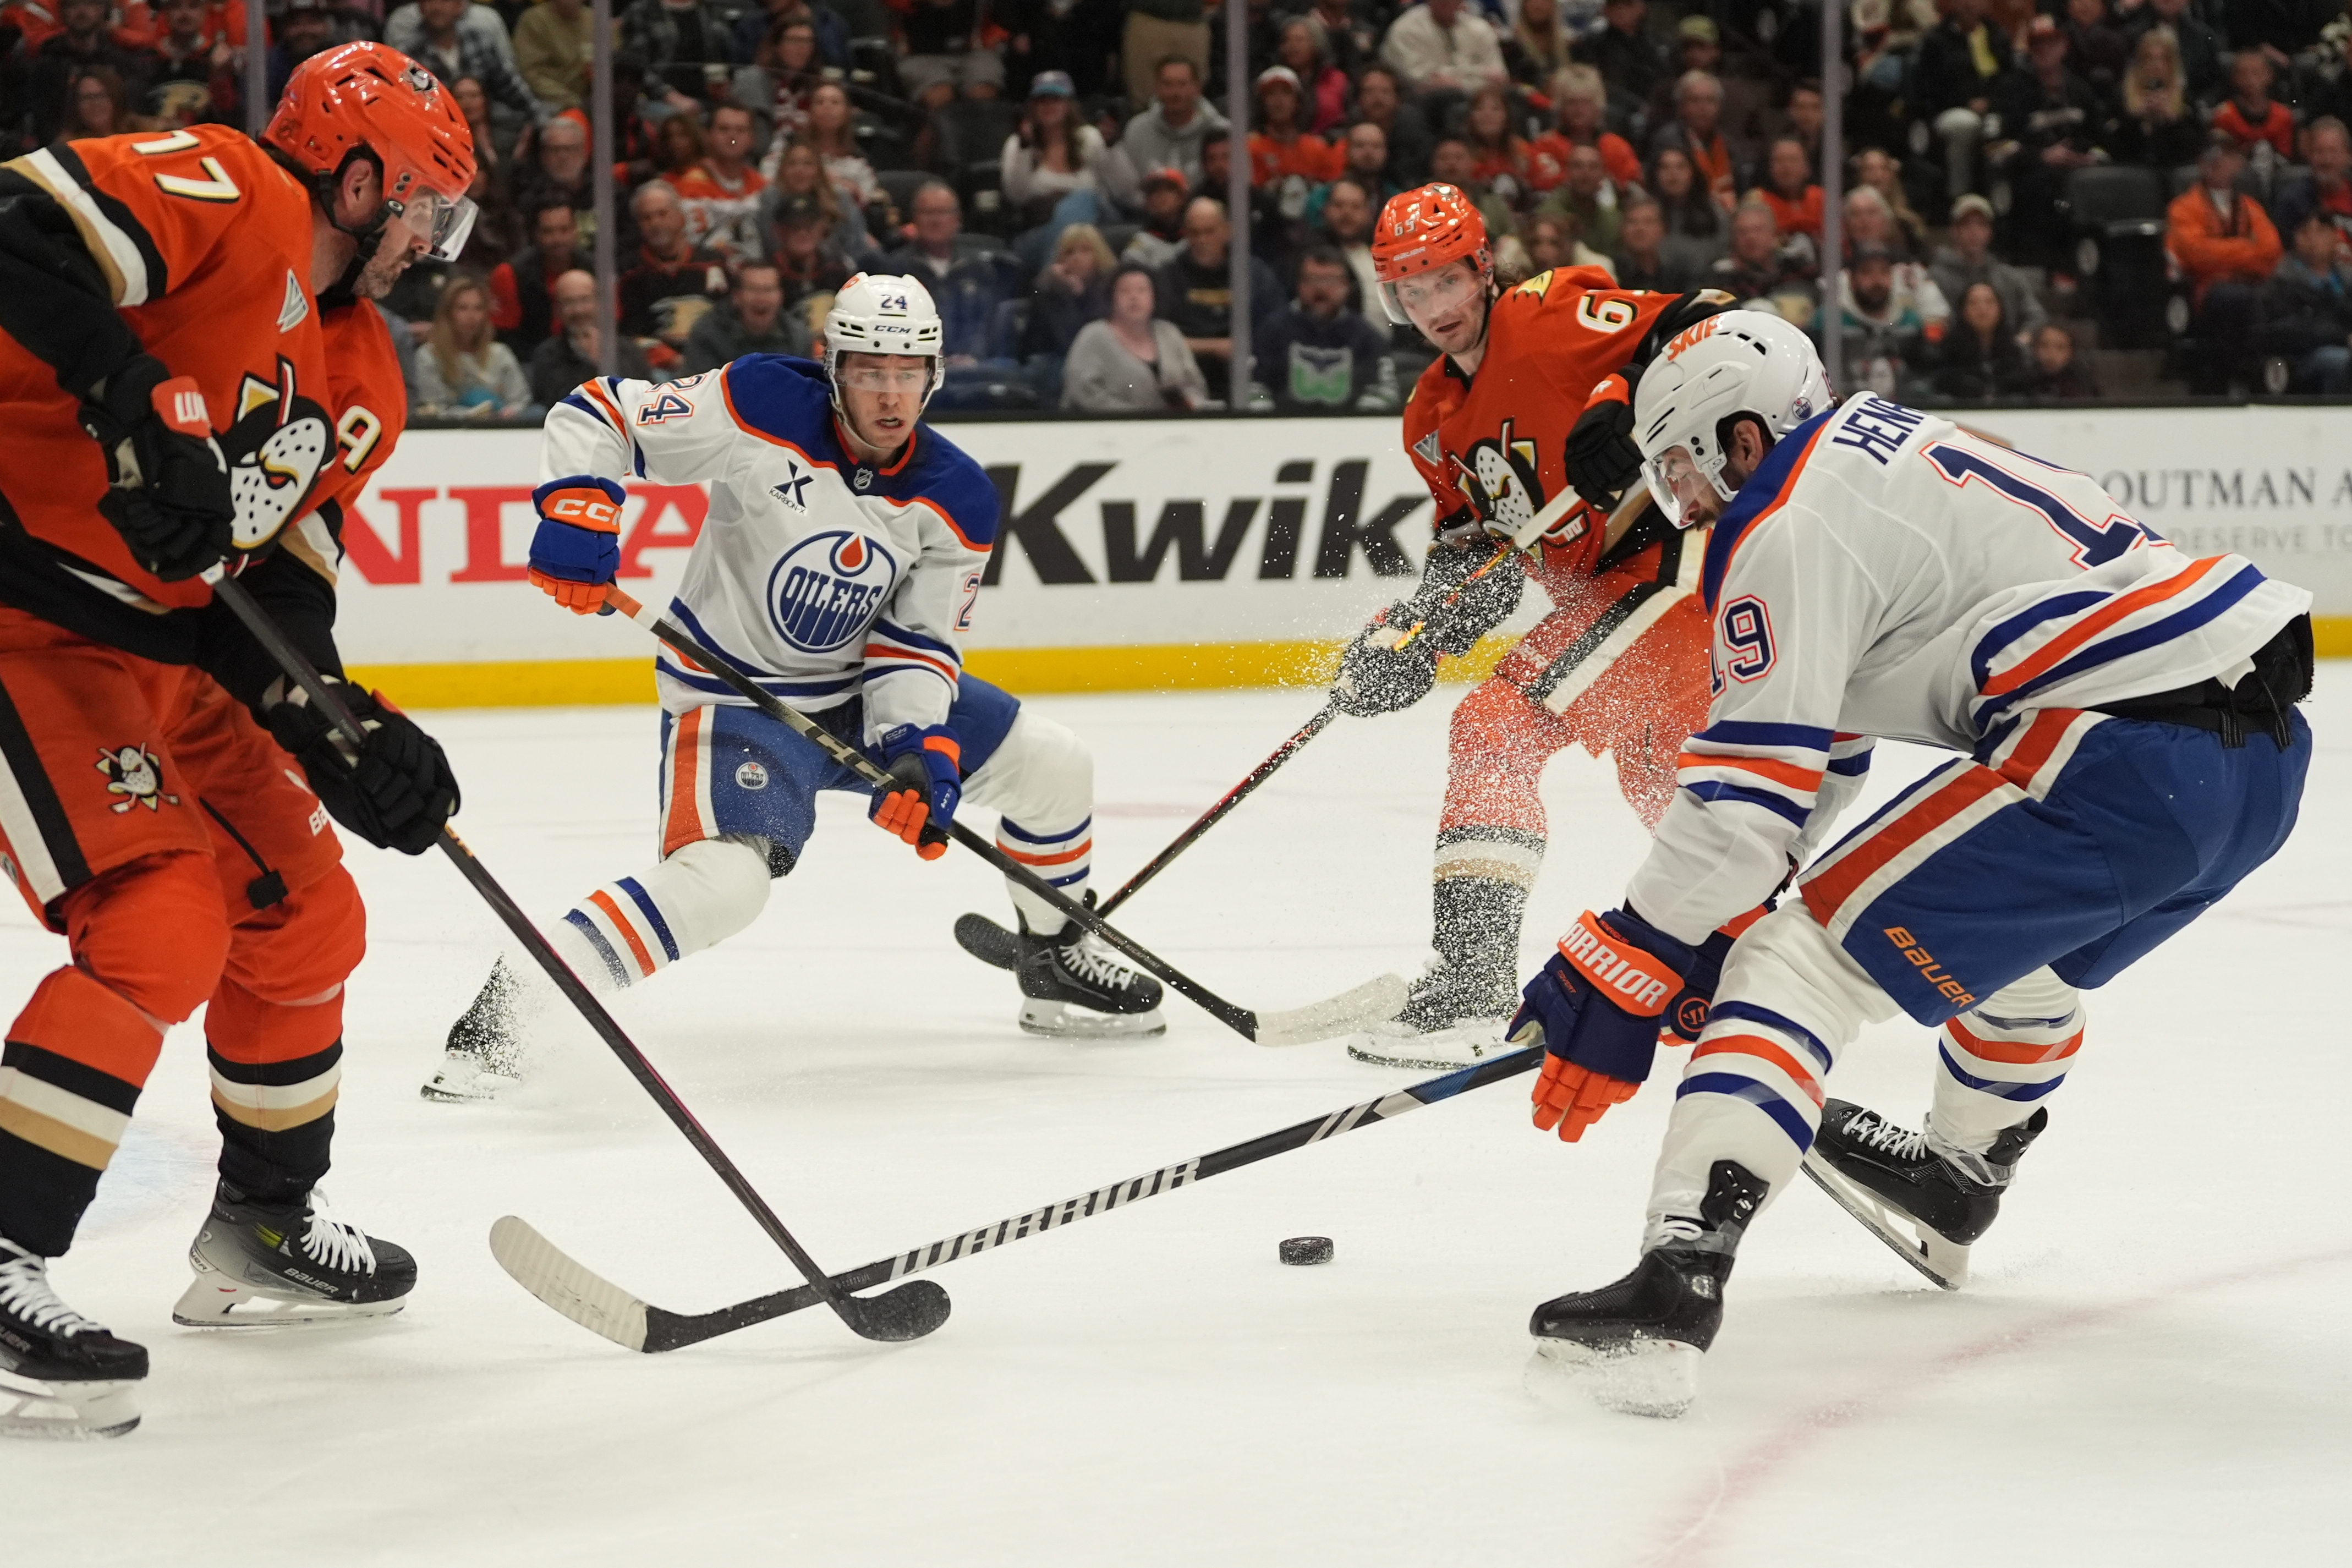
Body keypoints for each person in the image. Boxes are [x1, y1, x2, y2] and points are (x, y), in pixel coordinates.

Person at [1514, 310, 2311, 1411]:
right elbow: (1816, 763)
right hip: (2261, 766)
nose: (1682, 505)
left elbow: (1747, 791)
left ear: (1739, 437)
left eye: (1680, 470)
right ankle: (1957, 1179)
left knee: (1791, 972)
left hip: (2119, 747)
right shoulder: (1871, 458)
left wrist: (1636, 946)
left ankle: (1673, 1279)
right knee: (2017, 961)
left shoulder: (1781, 521)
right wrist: (1711, 911)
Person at [0, 41, 471, 1440]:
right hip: (28, 614)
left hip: (166, 657)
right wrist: (128, 396)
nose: (429, 243)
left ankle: (262, 1225)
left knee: (305, 916)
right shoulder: (230, 185)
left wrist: (346, 734)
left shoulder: (367, 373)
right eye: (424, 207)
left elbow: (273, 602)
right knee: (160, 924)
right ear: (361, 169)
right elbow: (17, 236)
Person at [425, 275, 1165, 1104]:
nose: (890, 396)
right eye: (868, 372)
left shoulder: (956, 497)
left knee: (1056, 766)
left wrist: (916, 752)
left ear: (935, 376)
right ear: (833, 365)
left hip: (858, 698)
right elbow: (600, 412)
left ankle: (1051, 954)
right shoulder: (759, 402)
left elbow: (916, 642)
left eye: (908, 373)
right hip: (738, 700)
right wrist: (578, 505)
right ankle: (519, 1004)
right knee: (724, 885)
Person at [1333, 183, 1729, 1068]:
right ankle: (1747, 961)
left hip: (1676, 571)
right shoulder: (1427, 423)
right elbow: (1475, 560)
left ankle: (1470, 986)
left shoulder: (1547, 315)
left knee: (1495, 725)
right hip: (1613, 605)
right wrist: (1414, 636)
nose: (1431, 306)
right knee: (1671, 793)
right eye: (1408, 289)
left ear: (1480, 267)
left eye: (1442, 280)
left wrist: (1621, 397)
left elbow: (1713, 320)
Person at [1990, 14, 2106, 271]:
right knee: (2045, 185)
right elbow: (1995, 148)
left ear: (2064, 46)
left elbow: (2100, 139)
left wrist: (2086, 157)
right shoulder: (2011, 90)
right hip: (2027, 174)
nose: (2044, 50)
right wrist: (2040, 156)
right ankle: (2043, 266)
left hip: (2076, 170)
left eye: (2051, 43)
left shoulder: (2081, 90)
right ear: (2029, 50)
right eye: (2037, 44)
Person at [2168, 136, 2282, 394]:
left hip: (2249, 285)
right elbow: (2196, 255)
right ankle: (2248, 378)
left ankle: (2256, 376)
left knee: (2268, 296)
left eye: (2227, 156)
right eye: (2214, 156)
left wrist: (2224, 258)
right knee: (2238, 298)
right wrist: (2247, 250)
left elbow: (2271, 251)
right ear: (2202, 163)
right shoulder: (2184, 208)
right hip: (2206, 291)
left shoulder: (2251, 207)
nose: (2219, 162)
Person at [1154, 195, 1282, 404]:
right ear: (1185, 234)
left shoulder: (1254, 274)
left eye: (1209, 232)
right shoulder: (1167, 277)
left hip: (1250, 375)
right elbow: (1155, 340)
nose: (1202, 240)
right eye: (1194, 233)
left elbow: (1277, 328)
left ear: (1227, 231)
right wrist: (1214, 347)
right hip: (1187, 379)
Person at [881, 181, 1023, 369]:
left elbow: (988, 325)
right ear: (914, 219)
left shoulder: (979, 269)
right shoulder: (894, 271)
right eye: (928, 213)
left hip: (976, 368)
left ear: (957, 219)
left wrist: (973, 358)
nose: (935, 220)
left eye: (943, 212)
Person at [1251, 245, 1399, 413]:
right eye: (1312, 280)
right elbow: (1253, 388)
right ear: (1300, 284)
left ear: (1346, 286)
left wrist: (1356, 427)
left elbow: (1384, 392)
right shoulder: (1272, 331)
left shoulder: (1367, 337)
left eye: (1330, 281)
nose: (1321, 289)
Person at [1062, 261, 1208, 410]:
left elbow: (1196, 385)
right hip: (1107, 428)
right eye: (1125, 291)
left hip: (1173, 428)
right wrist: (1135, 418)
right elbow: (1083, 392)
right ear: (1112, 298)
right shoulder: (1093, 336)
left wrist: (1189, 402)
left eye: (1142, 290)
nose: (1134, 297)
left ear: (1155, 297)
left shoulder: (1169, 333)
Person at [619, 179, 732, 364]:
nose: (655, 223)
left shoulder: (715, 263)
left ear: (681, 217)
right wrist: (667, 358)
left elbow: (732, 320)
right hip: (655, 372)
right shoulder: (629, 273)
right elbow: (627, 334)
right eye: (646, 218)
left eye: (663, 214)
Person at [396, 0, 550, 129]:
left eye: (444, 0)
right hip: (437, 135)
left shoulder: (480, 41)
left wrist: (540, 124)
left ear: (460, 6)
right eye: (429, 1)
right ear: (420, 7)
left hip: (490, 132)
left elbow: (513, 89)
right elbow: (414, 110)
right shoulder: (409, 57)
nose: (437, 7)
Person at [1912, 0, 2008, 202]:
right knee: (1965, 124)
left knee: (2000, 126)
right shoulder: (1936, 40)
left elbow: (2009, 80)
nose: (1970, 6)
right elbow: (1926, 89)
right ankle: (1961, 198)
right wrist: (1966, 102)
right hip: (1949, 111)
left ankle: (2000, 203)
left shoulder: (1997, 36)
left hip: (1994, 108)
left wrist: (1992, 102)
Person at [23, 0, 152, 144]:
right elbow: (42, 123)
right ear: (63, 12)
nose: (82, 11)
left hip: (120, 146)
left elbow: (133, 113)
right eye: (73, 5)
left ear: (103, 9)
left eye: (89, 3)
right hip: (64, 151)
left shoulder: (124, 63)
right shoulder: (45, 67)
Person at [529, 267, 657, 407]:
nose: (578, 310)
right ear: (558, 310)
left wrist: (602, 357)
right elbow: (559, 402)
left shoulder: (628, 349)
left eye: (585, 300)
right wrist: (592, 361)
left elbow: (645, 395)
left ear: (599, 303)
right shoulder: (547, 355)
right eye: (569, 302)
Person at [2255, 210, 2352, 393]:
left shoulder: (2346, 279)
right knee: (2340, 362)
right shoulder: (2283, 282)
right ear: (2297, 238)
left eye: (2322, 230)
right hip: (2302, 357)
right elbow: (2289, 331)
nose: (2314, 239)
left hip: (2342, 345)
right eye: (2307, 231)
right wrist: (2344, 337)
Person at [414, 272, 536, 417]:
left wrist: (508, 412)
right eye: (462, 308)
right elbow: (433, 408)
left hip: (501, 427)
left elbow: (520, 400)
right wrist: (471, 415)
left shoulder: (500, 353)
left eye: (478, 308)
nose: (471, 316)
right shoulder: (429, 356)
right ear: (448, 313)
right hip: (452, 431)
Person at [1931, 193, 2047, 341]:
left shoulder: (2008, 277)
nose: (1974, 232)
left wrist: (2023, 339)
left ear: (1990, 232)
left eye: (1981, 225)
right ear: (1954, 231)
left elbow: (2036, 315)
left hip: (2006, 355)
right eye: (1966, 224)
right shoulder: (1935, 278)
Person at [1002, 70, 1105, 229]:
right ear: (1033, 106)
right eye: (1042, 101)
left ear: (1069, 105)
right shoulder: (1017, 144)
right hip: (1039, 229)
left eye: (1056, 99)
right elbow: (1017, 197)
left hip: (1091, 229)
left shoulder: (1089, 137)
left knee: (1085, 201)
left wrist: (1114, 147)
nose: (1049, 106)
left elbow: (1111, 189)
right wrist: (1024, 149)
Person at [1837, 244, 1940, 399]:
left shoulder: (1910, 321)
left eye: (1884, 272)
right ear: (1852, 279)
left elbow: (1924, 375)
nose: (1877, 280)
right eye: (1867, 272)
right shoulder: (1831, 321)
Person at [672, 101, 770, 262]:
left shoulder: (763, 185)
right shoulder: (690, 186)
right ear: (708, 135)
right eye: (724, 129)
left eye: (741, 130)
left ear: (752, 139)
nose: (732, 138)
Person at [489, 200, 588, 357]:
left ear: (576, 230)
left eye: (565, 230)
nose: (558, 239)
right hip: (529, 362)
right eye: (548, 231)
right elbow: (505, 339)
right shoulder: (509, 274)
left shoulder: (596, 269)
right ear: (536, 234)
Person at [1021, 221, 1115, 386]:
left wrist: (1078, 295)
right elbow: (1061, 344)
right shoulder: (1049, 291)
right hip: (1056, 363)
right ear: (1061, 259)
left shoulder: (1112, 289)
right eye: (1069, 252)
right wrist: (1065, 292)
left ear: (1099, 255)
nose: (1077, 258)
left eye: (1085, 251)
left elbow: (1085, 344)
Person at [1529, 65, 1641, 195]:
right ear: (1560, 107)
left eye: (1586, 102)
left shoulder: (1616, 147)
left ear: (1598, 106)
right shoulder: (1545, 147)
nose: (1579, 110)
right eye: (1572, 102)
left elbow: (1633, 188)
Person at [1122, 53, 1226, 191]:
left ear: (1197, 88)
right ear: (1157, 88)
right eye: (1168, 84)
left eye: (1183, 84)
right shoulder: (1137, 129)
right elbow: (1128, 185)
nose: (1175, 93)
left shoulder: (1223, 131)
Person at [683, 257, 805, 370]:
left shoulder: (798, 336)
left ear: (781, 296)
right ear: (737, 297)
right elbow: (697, 388)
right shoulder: (707, 335)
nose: (761, 298)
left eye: (769, 290)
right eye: (753, 289)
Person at [617, 0, 739, 109]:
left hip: (708, 99)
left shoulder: (712, 11)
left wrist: (723, 86)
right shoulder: (642, 11)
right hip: (657, 99)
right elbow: (636, 66)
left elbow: (727, 60)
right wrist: (668, 95)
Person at [2112, 26, 2202, 171]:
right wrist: (2136, 117)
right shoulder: (2121, 96)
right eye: (2149, 58)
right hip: (2132, 175)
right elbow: (2113, 148)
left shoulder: (2187, 98)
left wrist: (2172, 120)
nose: (2156, 65)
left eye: (2164, 59)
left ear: (2173, 64)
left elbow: (2195, 151)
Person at [1927, 279, 2030, 401]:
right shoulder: (1948, 350)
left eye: (1989, 302)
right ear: (1963, 310)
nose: (1982, 309)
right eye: (1973, 303)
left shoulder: (2014, 351)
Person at [1379, 0, 1507, 97]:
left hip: (1478, 102)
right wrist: (1481, 74)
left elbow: (1500, 77)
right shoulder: (1406, 30)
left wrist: (1456, 83)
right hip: (1419, 103)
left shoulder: (1480, 29)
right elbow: (1419, 82)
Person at [896, 0, 1002, 109]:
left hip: (972, 49)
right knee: (940, 95)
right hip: (920, 54)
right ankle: (932, 125)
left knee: (983, 93)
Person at [1249, 65, 1344, 187]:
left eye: (1286, 93)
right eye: (1271, 94)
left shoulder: (1317, 148)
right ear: (1262, 104)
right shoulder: (1251, 149)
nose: (1279, 101)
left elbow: (1335, 189)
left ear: (1298, 102)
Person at [1711, 198, 1811, 313]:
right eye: (1742, 232)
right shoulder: (1720, 280)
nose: (1751, 237)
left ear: (1775, 234)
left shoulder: (1799, 270)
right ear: (1733, 239)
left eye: (1758, 230)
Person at [769, 190, 855, 310]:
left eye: (809, 226)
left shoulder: (839, 269)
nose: (803, 234)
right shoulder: (769, 276)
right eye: (795, 227)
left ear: (822, 227)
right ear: (778, 232)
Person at [1352, 64, 1432, 186]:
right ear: (1359, 99)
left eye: (1385, 91)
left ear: (1398, 98)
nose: (1377, 98)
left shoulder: (1413, 138)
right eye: (1369, 91)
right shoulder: (1350, 131)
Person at [2213, 48, 2296, 164]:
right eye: (2244, 74)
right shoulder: (2225, 115)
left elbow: (2285, 157)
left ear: (2269, 75)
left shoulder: (2283, 116)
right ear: (2235, 77)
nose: (2250, 80)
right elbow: (2223, 158)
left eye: (2257, 73)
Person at [1275, 14, 1348, 134]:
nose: (1292, 46)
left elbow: (1350, 117)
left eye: (1299, 40)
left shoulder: (1337, 80)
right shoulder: (1274, 80)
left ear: (1316, 44)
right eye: (1288, 40)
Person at [514, 0, 595, 110]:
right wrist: (573, 103)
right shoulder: (534, 21)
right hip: (552, 102)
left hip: (595, 100)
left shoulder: (595, 19)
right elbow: (533, 74)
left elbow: (614, 66)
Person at [1753, 134, 1821, 242]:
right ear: (1770, 168)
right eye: (1780, 160)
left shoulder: (1822, 198)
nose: (1786, 167)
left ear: (1807, 168)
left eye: (1793, 160)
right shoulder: (1757, 201)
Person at [1611, 195, 1684, 291]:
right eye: (1632, 222)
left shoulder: (1676, 276)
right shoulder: (1611, 273)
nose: (1640, 229)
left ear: (1663, 229)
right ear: (1622, 229)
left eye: (1648, 222)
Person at [2021, 320, 2101, 399]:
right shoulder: (2022, 382)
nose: (2051, 353)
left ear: (2071, 352)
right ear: (2035, 349)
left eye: (2060, 347)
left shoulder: (2083, 386)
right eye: (2044, 345)